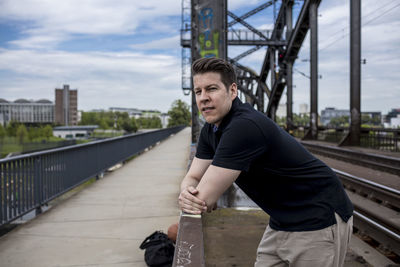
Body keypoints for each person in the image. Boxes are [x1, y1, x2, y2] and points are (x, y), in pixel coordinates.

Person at [178, 57, 354, 267]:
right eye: (198, 92)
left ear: (233, 91)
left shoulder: (243, 126)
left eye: (212, 89)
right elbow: (193, 177)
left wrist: (190, 195)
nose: (203, 98)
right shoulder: (211, 129)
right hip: (282, 219)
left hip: (317, 217)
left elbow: (204, 198)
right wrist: (186, 192)